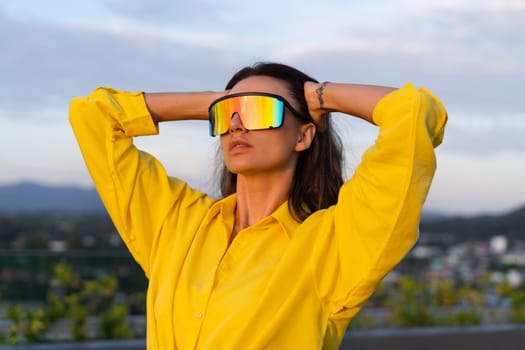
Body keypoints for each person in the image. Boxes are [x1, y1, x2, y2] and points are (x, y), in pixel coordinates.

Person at [69, 62, 447, 349]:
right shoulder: (176, 223)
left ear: (303, 135)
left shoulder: (333, 245)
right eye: (226, 114)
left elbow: (413, 112)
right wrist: (214, 102)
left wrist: (319, 97)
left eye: (259, 111)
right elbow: (95, 116)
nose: (236, 124)